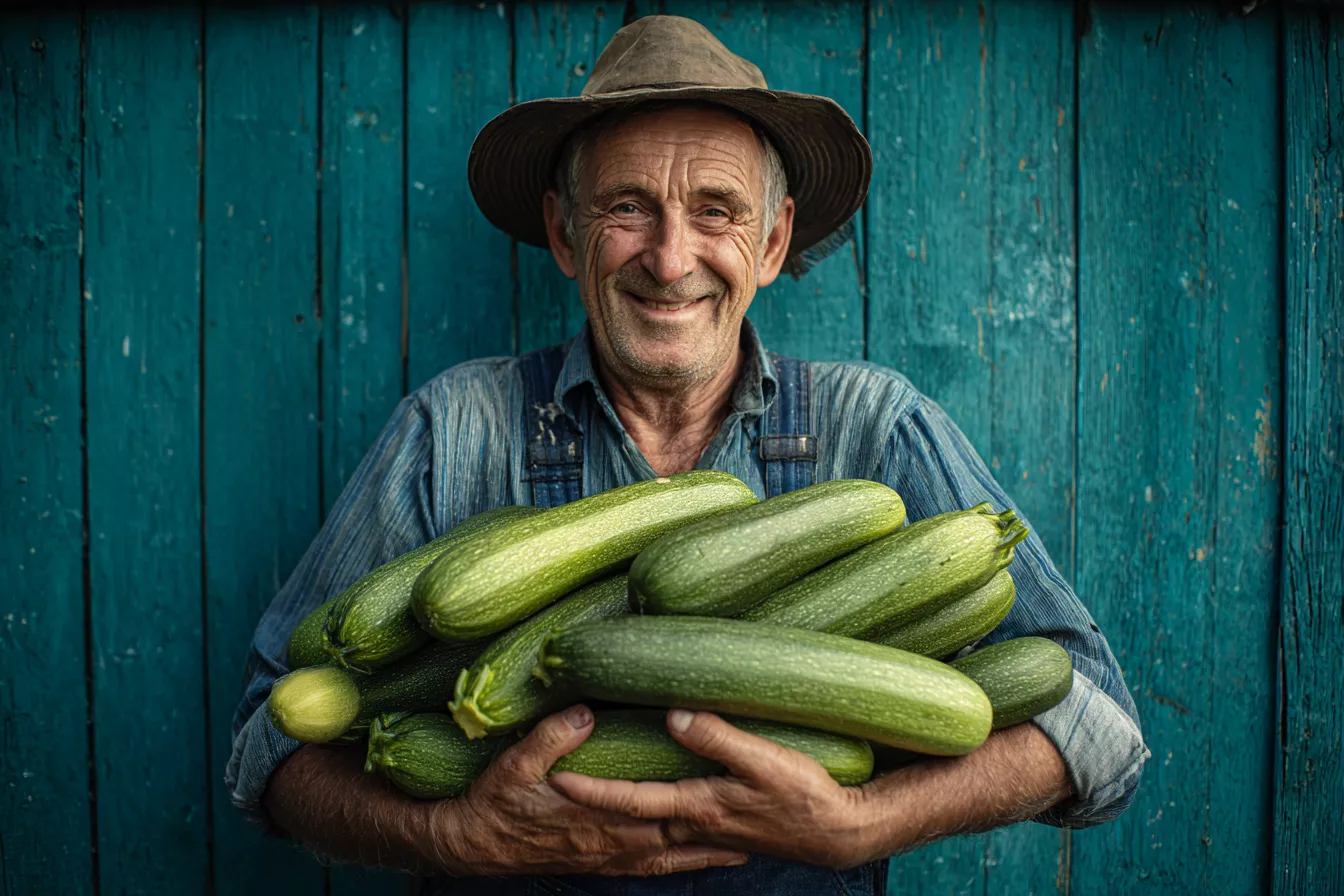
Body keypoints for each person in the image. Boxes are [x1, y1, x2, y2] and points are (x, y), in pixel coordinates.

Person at [225, 15, 1148, 895]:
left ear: (774, 240)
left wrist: (871, 822)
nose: (671, 259)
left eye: (717, 211)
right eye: (629, 207)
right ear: (564, 232)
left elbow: (1098, 728)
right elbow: (268, 743)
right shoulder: (455, 429)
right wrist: (450, 837)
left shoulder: (877, 427)